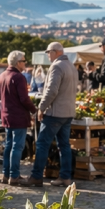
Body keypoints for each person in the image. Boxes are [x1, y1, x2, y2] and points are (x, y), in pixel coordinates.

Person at [28, 42, 78, 187]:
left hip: (55, 112)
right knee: (64, 145)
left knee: (42, 144)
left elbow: (51, 91)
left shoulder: (57, 66)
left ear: (55, 52)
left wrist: (41, 108)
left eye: (48, 52)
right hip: (68, 112)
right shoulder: (71, 66)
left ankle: (36, 176)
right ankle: (65, 177)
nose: (48, 55)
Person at [0, 51, 34, 185]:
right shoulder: (19, 77)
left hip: (6, 115)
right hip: (18, 116)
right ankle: (14, 176)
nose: (25, 63)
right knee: (16, 147)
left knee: (8, 146)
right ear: (18, 63)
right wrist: (34, 109)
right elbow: (24, 99)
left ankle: (6, 175)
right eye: (23, 61)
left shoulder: (2, 75)